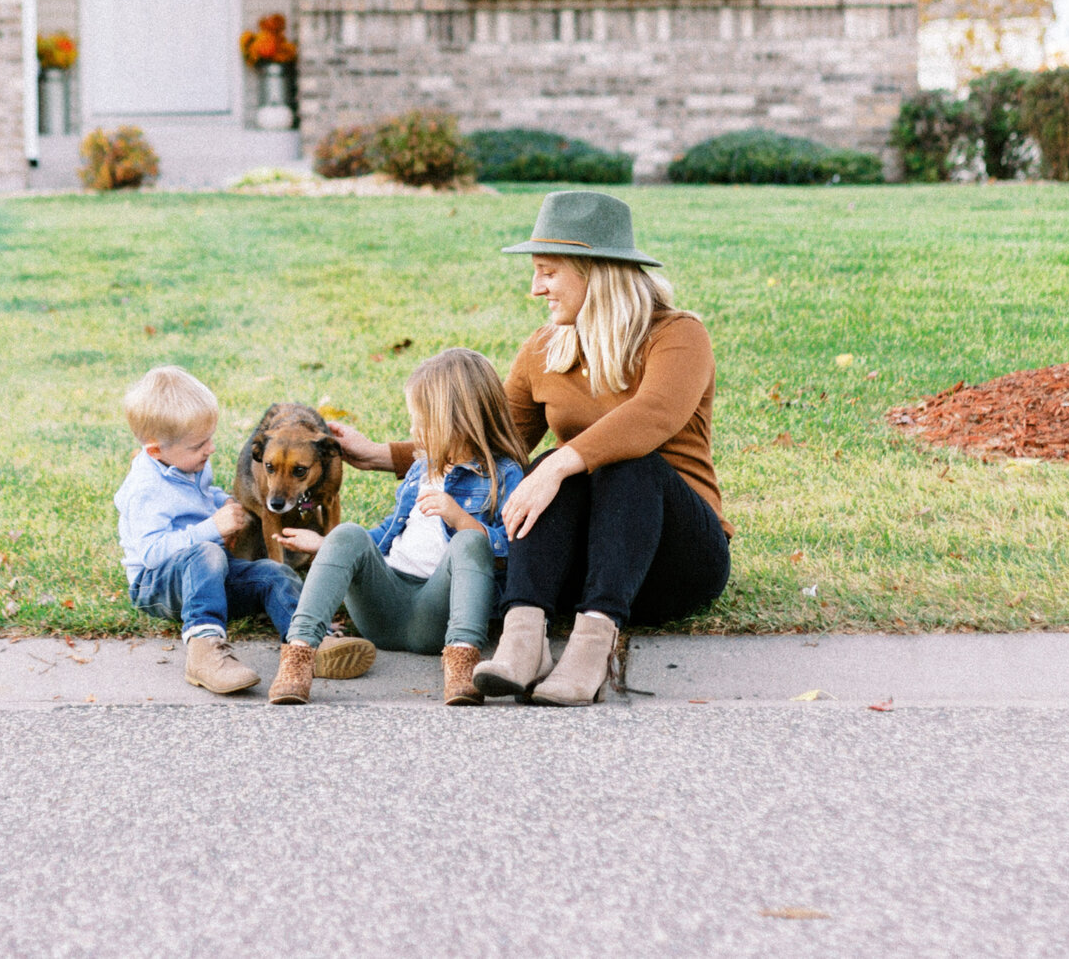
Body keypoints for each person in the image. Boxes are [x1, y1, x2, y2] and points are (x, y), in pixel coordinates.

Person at [333, 191, 728, 706]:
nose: (534, 287)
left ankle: (592, 651)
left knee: (620, 464)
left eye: (547, 271)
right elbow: (488, 442)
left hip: (674, 562)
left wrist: (558, 465)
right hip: (586, 565)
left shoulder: (677, 336)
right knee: (544, 467)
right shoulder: (546, 347)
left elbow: (650, 418)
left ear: (595, 270)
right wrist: (381, 455)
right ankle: (524, 641)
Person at [268, 347, 528, 706]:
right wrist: (325, 547)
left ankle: (463, 662)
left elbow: (514, 551)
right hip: (384, 610)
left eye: (420, 420)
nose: (412, 430)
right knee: (348, 534)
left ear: (453, 419)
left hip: (440, 616)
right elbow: (391, 531)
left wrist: (461, 519)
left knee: (470, 541)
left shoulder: (504, 476)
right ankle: (298, 656)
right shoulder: (422, 468)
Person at [112, 365, 300, 695]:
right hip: (156, 585)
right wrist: (212, 528)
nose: (210, 449)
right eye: (200, 444)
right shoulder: (145, 489)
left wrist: (222, 502)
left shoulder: (187, 461)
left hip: (208, 573)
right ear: (156, 450)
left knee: (273, 573)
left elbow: (201, 495)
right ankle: (205, 649)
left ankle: (305, 639)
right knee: (207, 552)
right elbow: (152, 554)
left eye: (210, 438)